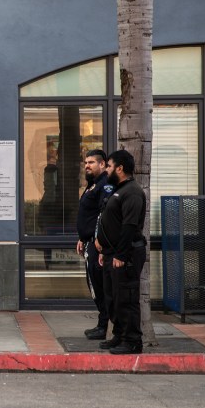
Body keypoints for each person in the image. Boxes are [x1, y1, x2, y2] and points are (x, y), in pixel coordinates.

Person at [94, 150, 147, 354]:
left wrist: (120, 255)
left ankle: (132, 341)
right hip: (110, 253)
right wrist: (103, 247)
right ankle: (118, 335)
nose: (106, 169)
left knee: (126, 297)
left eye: (108, 165)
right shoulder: (120, 189)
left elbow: (129, 227)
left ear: (120, 168)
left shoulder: (132, 192)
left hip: (126, 255)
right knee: (113, 297)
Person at [75, 150, 113, 341]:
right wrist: (83, 237)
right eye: (86, 162)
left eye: (91, 162)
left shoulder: (104, 185)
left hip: (97, 246)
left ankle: (103, 326)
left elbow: (103, 216)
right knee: (94, 286)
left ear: (103, 164)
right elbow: (89, 216)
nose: (87, 165)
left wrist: (99, 243)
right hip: (89, 242)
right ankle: (101, 324)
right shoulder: (93, 185)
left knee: (99, 287)